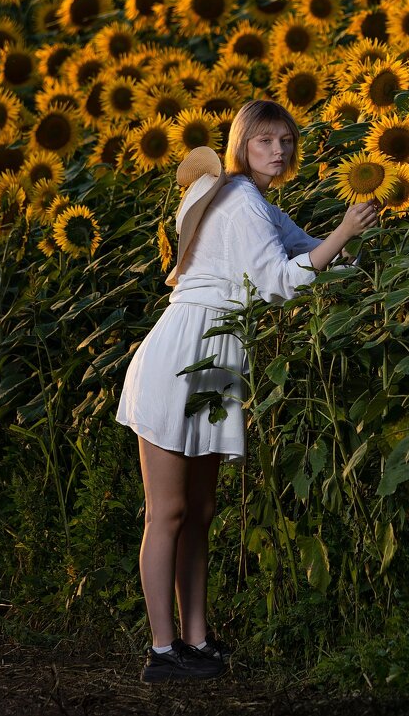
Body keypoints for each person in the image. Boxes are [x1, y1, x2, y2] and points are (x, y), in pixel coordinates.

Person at [115, 100, 379, 682]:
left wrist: (355, 238)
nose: (278, 151)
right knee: (169, 511)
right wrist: (342, 233)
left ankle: (196, 638)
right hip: (182, 353)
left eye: (286, 140)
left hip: (213, 356)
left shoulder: (254, 201)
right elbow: (281, 283)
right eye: (264, 141)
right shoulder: (239, 205)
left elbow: (310, 253)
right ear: (241, 144)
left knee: (202, 510)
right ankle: (162, 652)